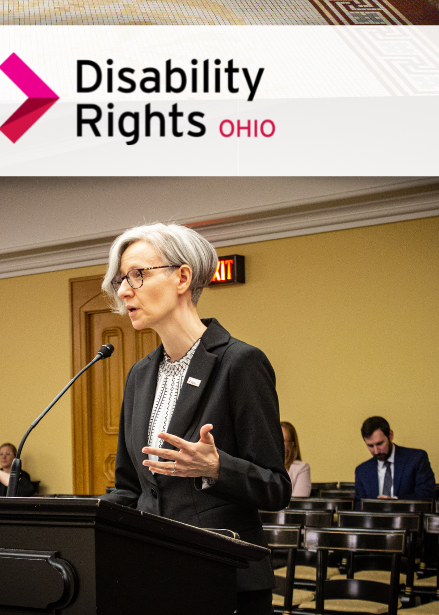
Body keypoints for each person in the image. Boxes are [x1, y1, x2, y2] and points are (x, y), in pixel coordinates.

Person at [101, 222, 290, 615]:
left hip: (225, 580)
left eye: (136, 274)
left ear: (182, 277)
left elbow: (276, 488)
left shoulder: (240, 363)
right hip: (152, 577)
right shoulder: (138, 375)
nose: (123, 290)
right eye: (121, 279)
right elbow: (129, 486)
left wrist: (217, 466)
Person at [353, 416, 435, 506]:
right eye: (370, 446)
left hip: (408, 518)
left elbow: (427, 495)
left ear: (390, 435)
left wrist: (395, 502)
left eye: (379, 443)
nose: (376, 451)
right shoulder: (362, 471)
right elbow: (359, 508)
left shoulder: (416, 459)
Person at [282, 421, 311, 497]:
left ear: (292, 443)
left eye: (282, 440)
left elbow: (297, 504)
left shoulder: (301, 468)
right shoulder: (262, 466)